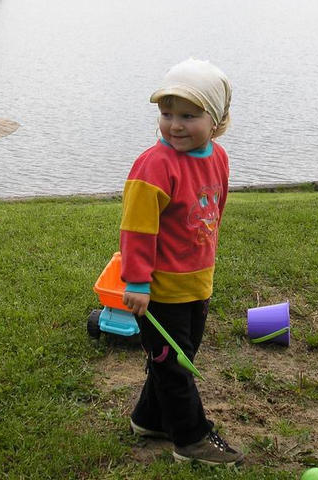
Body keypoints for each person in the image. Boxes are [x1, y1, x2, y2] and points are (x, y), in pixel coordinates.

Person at [120, 58, 243, 466]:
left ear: (216, 119)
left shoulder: (218, 158)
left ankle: (150, 418)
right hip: (160, 291)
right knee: (177, 365)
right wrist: (136, 282)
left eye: (189, 116)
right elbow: (137, 228)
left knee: (173, 357)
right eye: (166, 113)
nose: (174, 125)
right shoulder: (155, 165)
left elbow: (215, 212)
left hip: (197, 282)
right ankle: (191, 439)